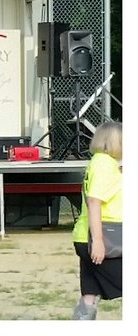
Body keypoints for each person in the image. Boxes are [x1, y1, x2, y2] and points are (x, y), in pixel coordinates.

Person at [71, 120, 122, 319]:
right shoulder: (104, 165)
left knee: (90, 293)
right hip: (104, 237)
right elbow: (94, 201)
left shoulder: (101, 162)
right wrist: (99, 242)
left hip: (88, 236)